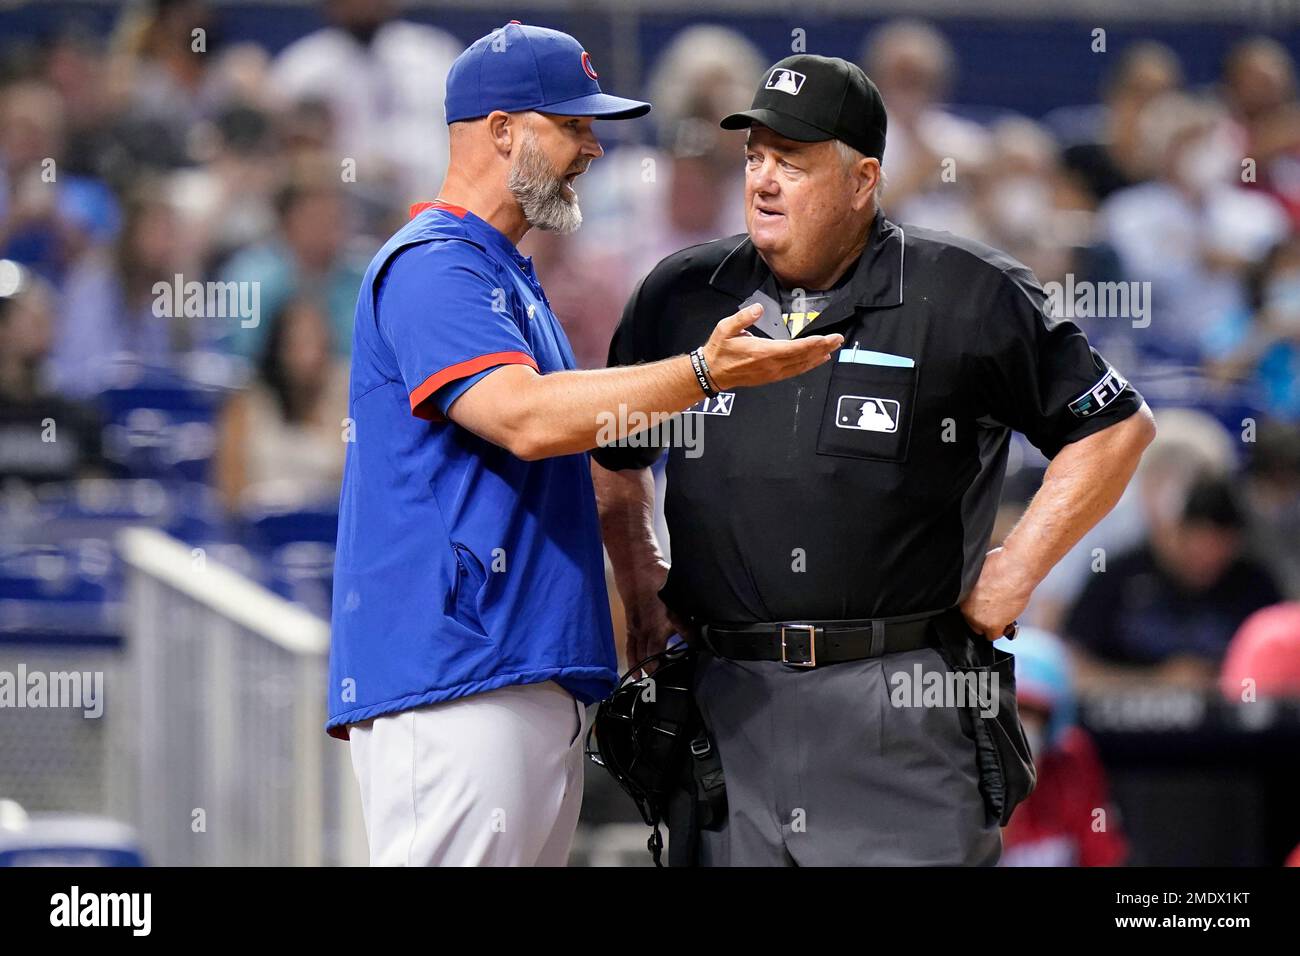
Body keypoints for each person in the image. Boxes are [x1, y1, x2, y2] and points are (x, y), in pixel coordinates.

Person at [592, 53, 1156, 866]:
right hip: (723, 705)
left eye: (793, 160)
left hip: (898, 702)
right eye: (754, 157)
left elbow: (1114, 426)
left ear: (863, 181)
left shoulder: (964, 292)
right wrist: (642, 580)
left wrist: (1012, 574)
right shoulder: (681, 294)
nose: (763, 180)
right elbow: (616, 448)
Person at [326, 23, 841, 867]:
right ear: (501, 130)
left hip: (530, 670)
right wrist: (703, 373)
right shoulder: (432, 264)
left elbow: (592, 447)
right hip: (460, 675)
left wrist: (638, 586)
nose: (594, 148)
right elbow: (525, 419)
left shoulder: (505, 274)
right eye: (571, 125)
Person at [1065, 474, 1284, 690]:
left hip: (1231, 720)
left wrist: (1224, 683)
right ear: (1174, 532)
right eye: (1197, 547)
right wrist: (1157, 681)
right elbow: (1076, 670)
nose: (1207, 559)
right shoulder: (1118, 576)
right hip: (1120, 720)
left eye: (1220, 548)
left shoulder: (1256, 585)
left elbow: (1285, 672)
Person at [996, 627, 1129, 867]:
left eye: (1031, 712)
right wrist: (1010, 795)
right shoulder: (958, 764)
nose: (1018, 727)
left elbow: (1101, 848)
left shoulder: (1073, 758)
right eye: (1008, 710)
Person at [214, 295, 348, 511]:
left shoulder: (346, 400)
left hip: (328, 533)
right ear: (278, 347)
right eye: (299, 344)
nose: (310, 356)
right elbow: (230, 493)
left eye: (318, 344)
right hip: (262, 535)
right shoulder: (246, 405)